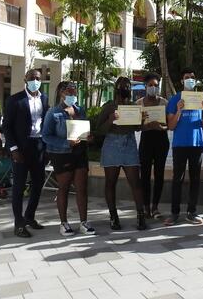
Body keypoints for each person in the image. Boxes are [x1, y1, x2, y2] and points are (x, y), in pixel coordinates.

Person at [42, 82, 94, 236]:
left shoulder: (80, 109)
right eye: (69, 91)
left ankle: (83, 222)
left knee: (82, 188)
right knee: (64, 187)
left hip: (80, 153)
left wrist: (89, 137)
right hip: (61, 154)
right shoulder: (53, 113)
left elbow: (83, 130)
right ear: (61, 93)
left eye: (74, 91)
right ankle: (64, 223)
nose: (72, 94)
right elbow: (46, 136)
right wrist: (66, 143)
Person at [3, 69, 50, 238]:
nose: (35, 81)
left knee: (38, 184)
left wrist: (47, 148)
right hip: (21, 148)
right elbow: (6, 126)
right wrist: (13, 149)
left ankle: (29, 216)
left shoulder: (44, 99)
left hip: (39, 146)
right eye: (32, 78)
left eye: (38, 78)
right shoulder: (15, 100)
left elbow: (45, 123)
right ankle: (18, 224)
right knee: (19, 187)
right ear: (25, 79)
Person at [98, 76, 147, 231]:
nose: (125, 88)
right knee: (110, 182)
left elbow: (137, 128)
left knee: (135, 182)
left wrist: (142, 120)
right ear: (116, 88)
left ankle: (141, 216)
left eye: (128, 86)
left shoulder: (133, 106)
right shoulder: (109, 106)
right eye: (122, 86)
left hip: (129, 144)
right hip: (112, 145)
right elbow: (99, 130)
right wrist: (111, 119)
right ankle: (113, 216)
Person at [164, 68, 203, 226]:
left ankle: (192, 212)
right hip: (180, 145)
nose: (190, 79)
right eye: (187, 77)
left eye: (192, 77)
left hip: (196, 144)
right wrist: (179, 110)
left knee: (195, 179)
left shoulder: (201, 99)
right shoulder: (175, 99)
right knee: (177, 179)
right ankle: (174, 213)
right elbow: (170, 126)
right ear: (182, 81)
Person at [137, 73, 170, 219]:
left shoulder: (165, 103)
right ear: (145, 86)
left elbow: (170, 124)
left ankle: (155, 206)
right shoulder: (139, 104)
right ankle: (145, 207)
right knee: (144, 174)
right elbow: (136, 127)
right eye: (150, 85)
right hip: (146, 140)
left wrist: (161, 127)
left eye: (156, 85)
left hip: (161, 140)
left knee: (159, 174)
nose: (153, 88)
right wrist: (148, 125)